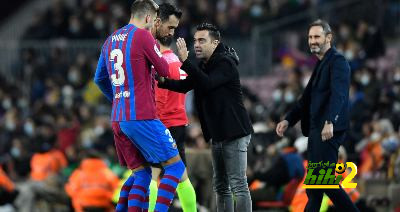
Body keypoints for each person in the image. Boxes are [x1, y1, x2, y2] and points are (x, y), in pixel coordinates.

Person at [94, 0, 187, 211]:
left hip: (118, 118)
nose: (155, 24)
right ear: (147, 18)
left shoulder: (109, 40)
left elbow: (99, 78)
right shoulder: (143, 36)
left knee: (141, 174)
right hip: (142, 116)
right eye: (154, 20)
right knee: (175, 167)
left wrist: (118, 98)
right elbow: (163, 69)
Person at [158, 23, 254, 212]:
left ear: (215, 42)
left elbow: (208, 84)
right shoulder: (205, 65)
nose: (197, 45)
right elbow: (185, 86)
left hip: (234, 132)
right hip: (218, 133)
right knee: (220, 185)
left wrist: (186, 62)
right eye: (195, 40)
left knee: (238, 184)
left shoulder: (225, 62)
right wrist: (161, 81)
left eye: (202, 40)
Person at [275, 19, 359, 212]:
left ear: (328, 38)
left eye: (316, 36)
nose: (312, 41)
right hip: (316, 132)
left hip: (327, 131)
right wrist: (289, 119)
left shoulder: (337, 62)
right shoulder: (321, 64)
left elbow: (340, 95)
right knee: (315, 189)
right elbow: (306, 99)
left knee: (324, 183)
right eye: (310, 37)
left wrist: (331, 121)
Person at [150, 3, 197, 212]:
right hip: (179, 123)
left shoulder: (158, 63)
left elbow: (158, 99)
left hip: (162, 124)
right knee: (181, 175)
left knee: (152, 174)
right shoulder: (178, 62)